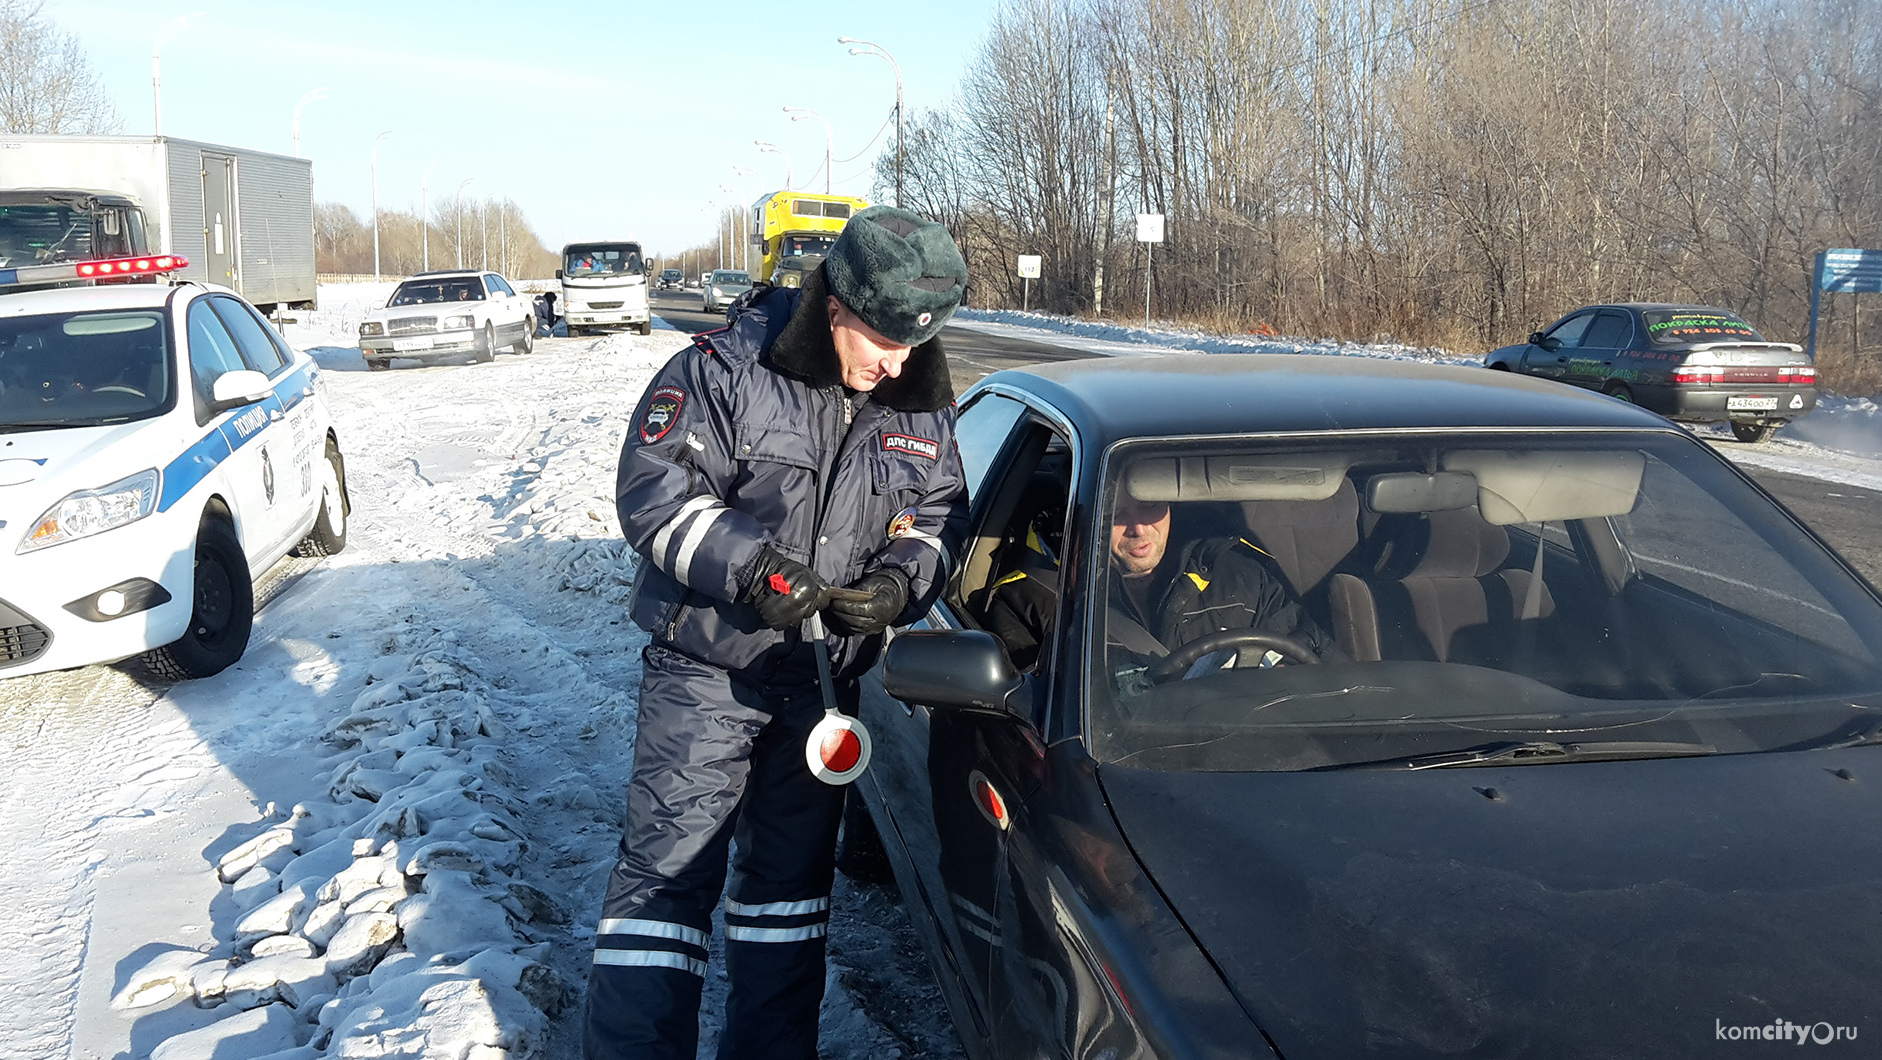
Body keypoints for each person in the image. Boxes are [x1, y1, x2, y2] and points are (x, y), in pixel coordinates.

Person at [587, 205, 971, 1060]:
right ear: (835, 307)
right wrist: (753, 568)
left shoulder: (921, 397)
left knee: (786, 905)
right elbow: (654, 495)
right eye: (882, 341)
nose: (898, 364)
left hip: (821, 691)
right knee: (665, 895)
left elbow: (937, 516)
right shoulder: (726, 370)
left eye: (914, 344)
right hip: (707, 674)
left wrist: (898, 583)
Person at [1106, 492, 1339, 678]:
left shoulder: (1241, 578)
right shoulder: (1079, 604)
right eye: (1117, 514)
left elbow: (1317, 657)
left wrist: (1286, 678)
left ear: (1169, 503)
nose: (1138, 529)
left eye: (1150, 505)